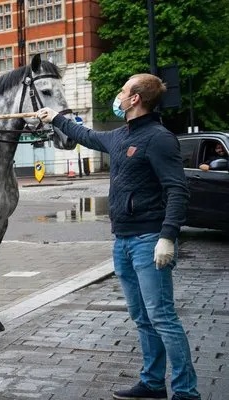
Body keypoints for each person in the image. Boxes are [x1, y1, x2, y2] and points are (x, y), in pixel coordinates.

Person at [38, 73, 200, 400]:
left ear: (136, 99)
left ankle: (186, 392)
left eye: (123, 90)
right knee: (142, 317)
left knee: (162, 317)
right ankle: (153, 383)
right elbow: (85, 134)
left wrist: (167, 237)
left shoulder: (159, 138)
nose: (119, 95)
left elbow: (178, 190)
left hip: (148, 241)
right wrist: (56, 118)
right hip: (123, 242)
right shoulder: (121, 135)